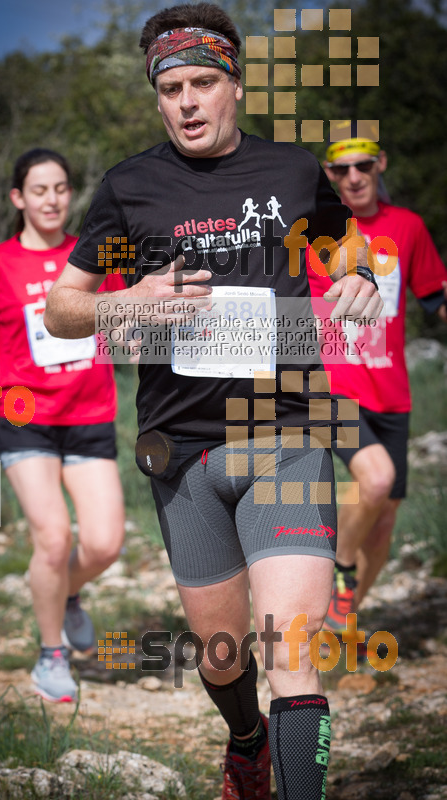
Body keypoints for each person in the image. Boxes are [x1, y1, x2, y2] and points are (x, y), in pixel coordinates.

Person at [44, 5, 383, 798]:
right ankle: (244, 741)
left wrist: (359, 275)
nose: (187, 101)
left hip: (289, 428)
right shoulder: (130, 187)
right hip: (182, 447)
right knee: (223, 653)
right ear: (157, 96)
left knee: (292, 650)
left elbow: (343, 241)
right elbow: (63, 307)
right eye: (170, 87)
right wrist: (129, 303)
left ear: (234, 84)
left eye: (202, 82)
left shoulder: (292, 170)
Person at [0, 148, 126, 703]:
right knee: (53, 539)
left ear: (71, 194)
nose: (52, 199)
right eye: (40, 190)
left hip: (90, 413)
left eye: (61, 188)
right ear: (18, 198)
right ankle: (51, 656)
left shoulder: (94, 257)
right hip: (27, 422)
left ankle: (65, 596)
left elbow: (123, 318)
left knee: (103, 545)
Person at [308, 129, 447, 633]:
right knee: (377, 479)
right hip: (331, 387)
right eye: (341, 170)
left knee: (385, 516)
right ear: (329, 175)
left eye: (363, 166)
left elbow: (434, 297)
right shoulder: (313, 232)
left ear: (380, 165)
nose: (353, 177)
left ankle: (339, 621)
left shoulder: (407, 227)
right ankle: (339, 570)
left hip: (392, 390)